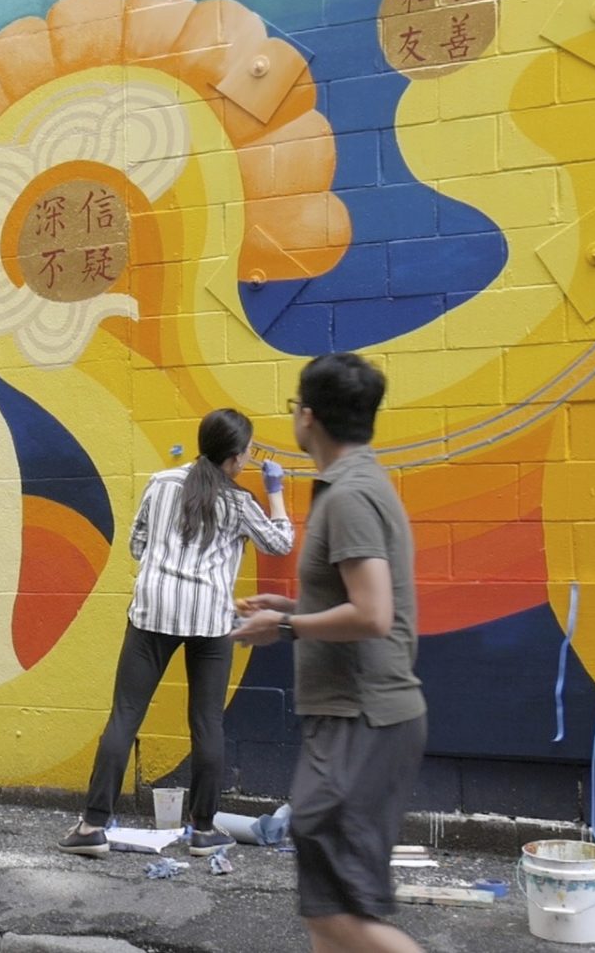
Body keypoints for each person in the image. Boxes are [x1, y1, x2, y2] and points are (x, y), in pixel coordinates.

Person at [233, 353, 426, 953]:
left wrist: (285, 630)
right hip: (353, 718)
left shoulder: (348, 496)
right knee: (327, 912)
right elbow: (360, 600)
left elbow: (372, 613)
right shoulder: (359, 484)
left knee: (335, 914)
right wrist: (290, 607)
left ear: (306, 416)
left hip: (360, 718)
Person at [61, 408, 294, 858]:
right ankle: (203, 831)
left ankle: (92, 826)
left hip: (152, 612)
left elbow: (136, 544)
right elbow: (279, 543)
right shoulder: (241, 502)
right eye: (247, 450)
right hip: (209, 619)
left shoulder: (162, 481)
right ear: (238, 457)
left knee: (125, 715)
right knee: (207, 723)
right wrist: (276, 493)